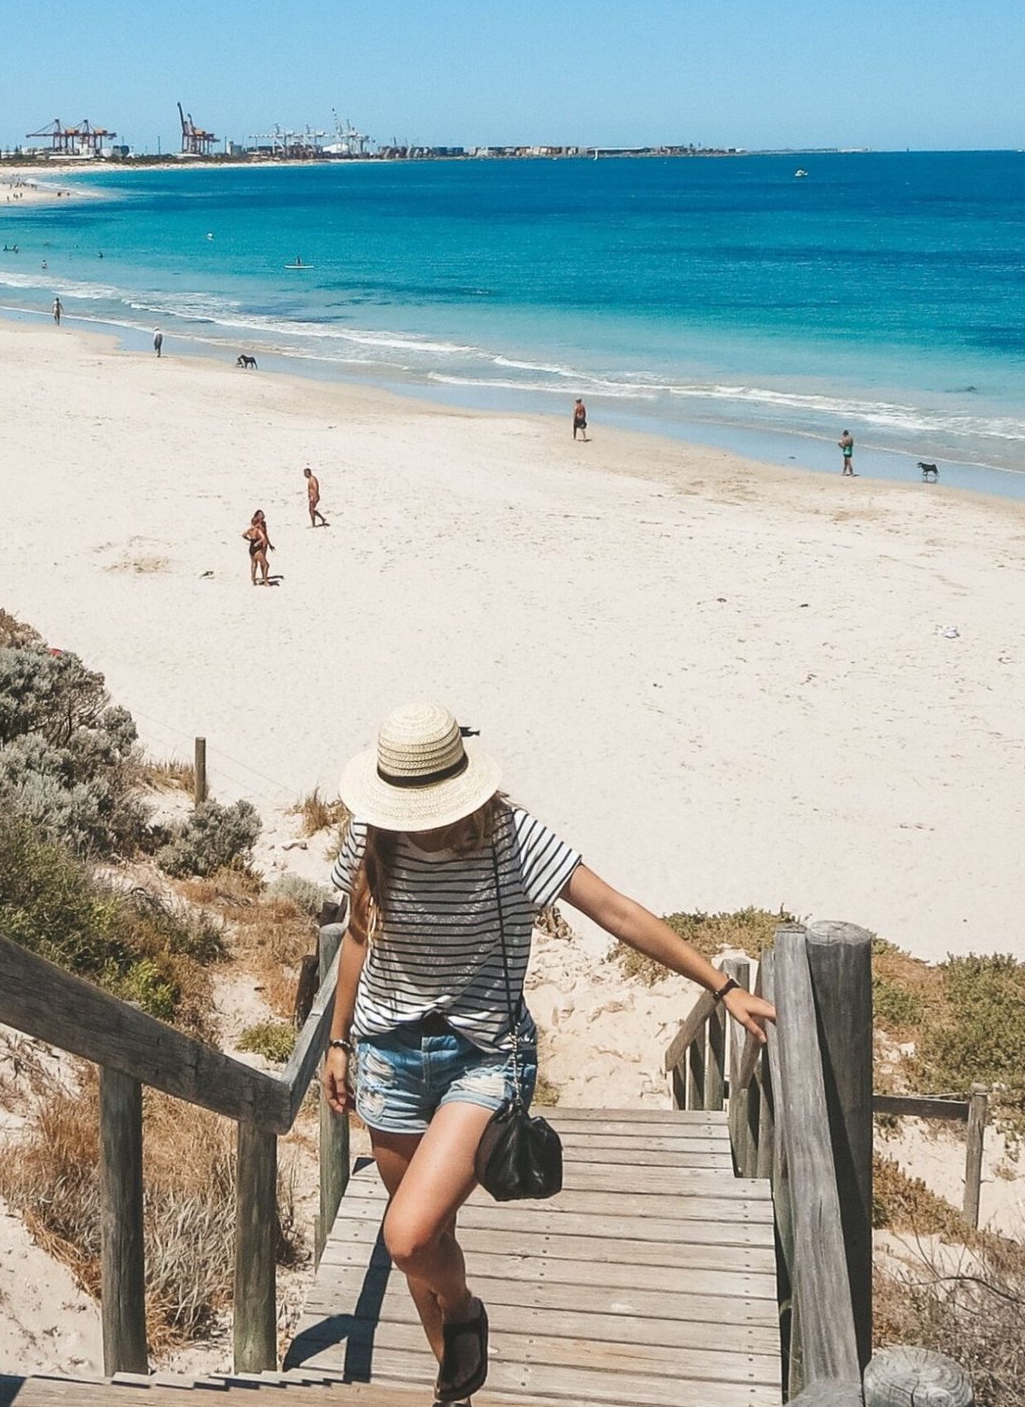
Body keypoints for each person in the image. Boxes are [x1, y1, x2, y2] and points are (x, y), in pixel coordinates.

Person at [324, 704, 776, 1404]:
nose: (416, 825)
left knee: (409, 1237)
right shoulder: (374, 832)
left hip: (481, 1056)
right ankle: (454, 1386)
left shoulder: (512, 839)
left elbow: (615, 910)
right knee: (427, 1243)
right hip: (387, 1056)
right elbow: (359, 932)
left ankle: (465, 1308)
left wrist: (721, 987)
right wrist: (338, 1039)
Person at [243, 508, 274, 585]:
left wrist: (250, 540)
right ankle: (265, 581)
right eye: (260, 515)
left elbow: (243, 535)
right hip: (258, 545)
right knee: (265, 564)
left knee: (255, 562)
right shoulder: (257, 529)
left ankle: (254, 579)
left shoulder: (251, 529)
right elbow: (263, 537)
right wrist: (258, 542)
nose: (262, 516)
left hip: (253, 545)